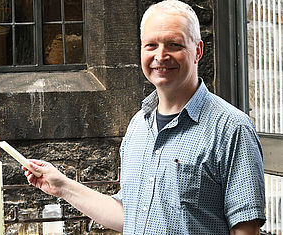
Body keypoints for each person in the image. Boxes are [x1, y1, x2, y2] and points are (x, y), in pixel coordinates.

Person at [23, 0, 266, 234]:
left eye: (174, 45)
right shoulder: (138, 125)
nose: (161, 56)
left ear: (198, 51)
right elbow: (129, 215)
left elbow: (245, 230)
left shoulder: (232, 129)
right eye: (151, 45)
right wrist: (62, 186)